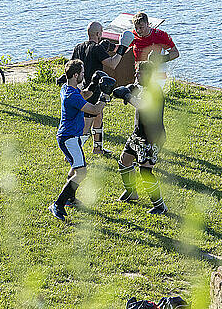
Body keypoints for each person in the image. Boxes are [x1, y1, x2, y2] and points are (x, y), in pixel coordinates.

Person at [48, 59, 114, 221]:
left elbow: (83, 95)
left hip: (71, 136)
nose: (84, 76)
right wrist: (105, 95)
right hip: (69, 138)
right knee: (82, 172)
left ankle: (70, 198)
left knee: (74, 169)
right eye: (83, 74)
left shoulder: (68, 88)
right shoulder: (72, 96)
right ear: (76, 74)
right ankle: (58, 204)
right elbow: (94, 109)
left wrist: (93, 85)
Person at [112, 61, 168, 214]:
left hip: (152, 137)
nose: (136, 74)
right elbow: (133, 90)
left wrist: (127, 95)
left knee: (145, 171)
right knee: (124, 161)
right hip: (138, 134)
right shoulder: (143, 87)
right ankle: (131, 193)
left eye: (140, 73)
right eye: (137, 72)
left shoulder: (154, 90)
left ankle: (160, 206)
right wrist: (123, 90)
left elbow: (143, 105)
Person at [69, 22, 131, 155]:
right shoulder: (96, 48)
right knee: (87, 123)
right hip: (94, 89)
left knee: (98, 117)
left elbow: (70, 67)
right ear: (98, 34)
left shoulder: (78, 47)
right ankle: (72, 152)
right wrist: (123, 47)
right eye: (101, 32)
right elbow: (113, 64)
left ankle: (98, 148)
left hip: (81, 88)